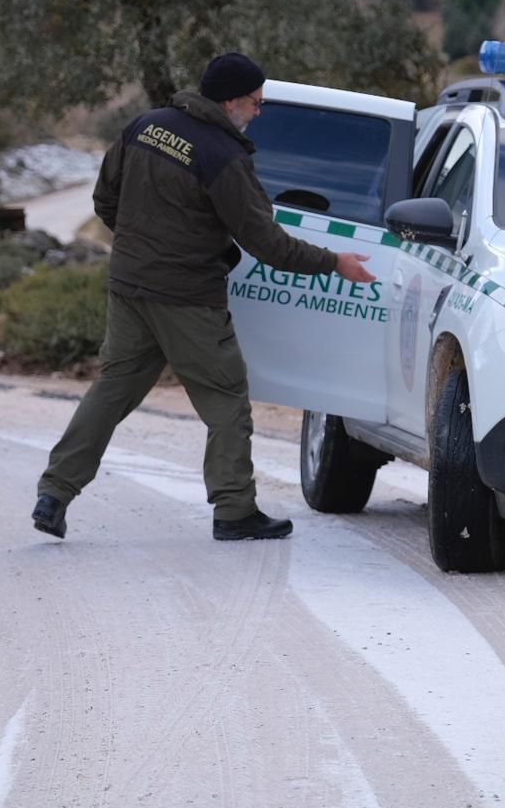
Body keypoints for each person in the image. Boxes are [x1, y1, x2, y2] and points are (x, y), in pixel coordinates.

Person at [31, 52, 376, 541]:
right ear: (231, 101)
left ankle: (54, 494)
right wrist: (333, 262)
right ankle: (235, 510)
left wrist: (139, 245)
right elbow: (267, 243)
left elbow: (105, 199)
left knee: (111, 392)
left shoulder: (144, 127)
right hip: (188, 298)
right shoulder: (222, 156)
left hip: (129, 286)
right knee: (226, 399)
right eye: (256, 103)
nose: (258, 113)